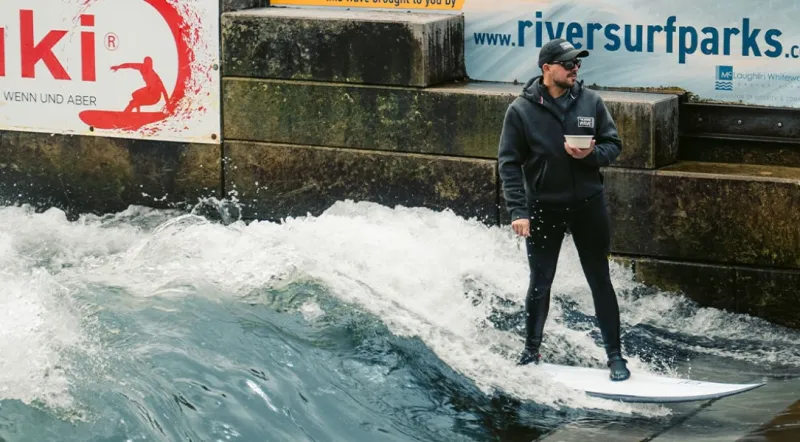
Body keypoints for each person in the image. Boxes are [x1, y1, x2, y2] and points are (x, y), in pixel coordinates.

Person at [497, 38, 630, 381]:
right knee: (540, 282)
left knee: (600, 279)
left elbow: (614, 144)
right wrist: (518, 211)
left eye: (578, 63)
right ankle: (531, 352)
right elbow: (509, 164)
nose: (575, 69)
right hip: (544, 207)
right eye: (569, 63)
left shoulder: (591, 101)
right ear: (547, 69)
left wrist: (591, 157)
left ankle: (615, 357)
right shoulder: (521, 111)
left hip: (589, 204)